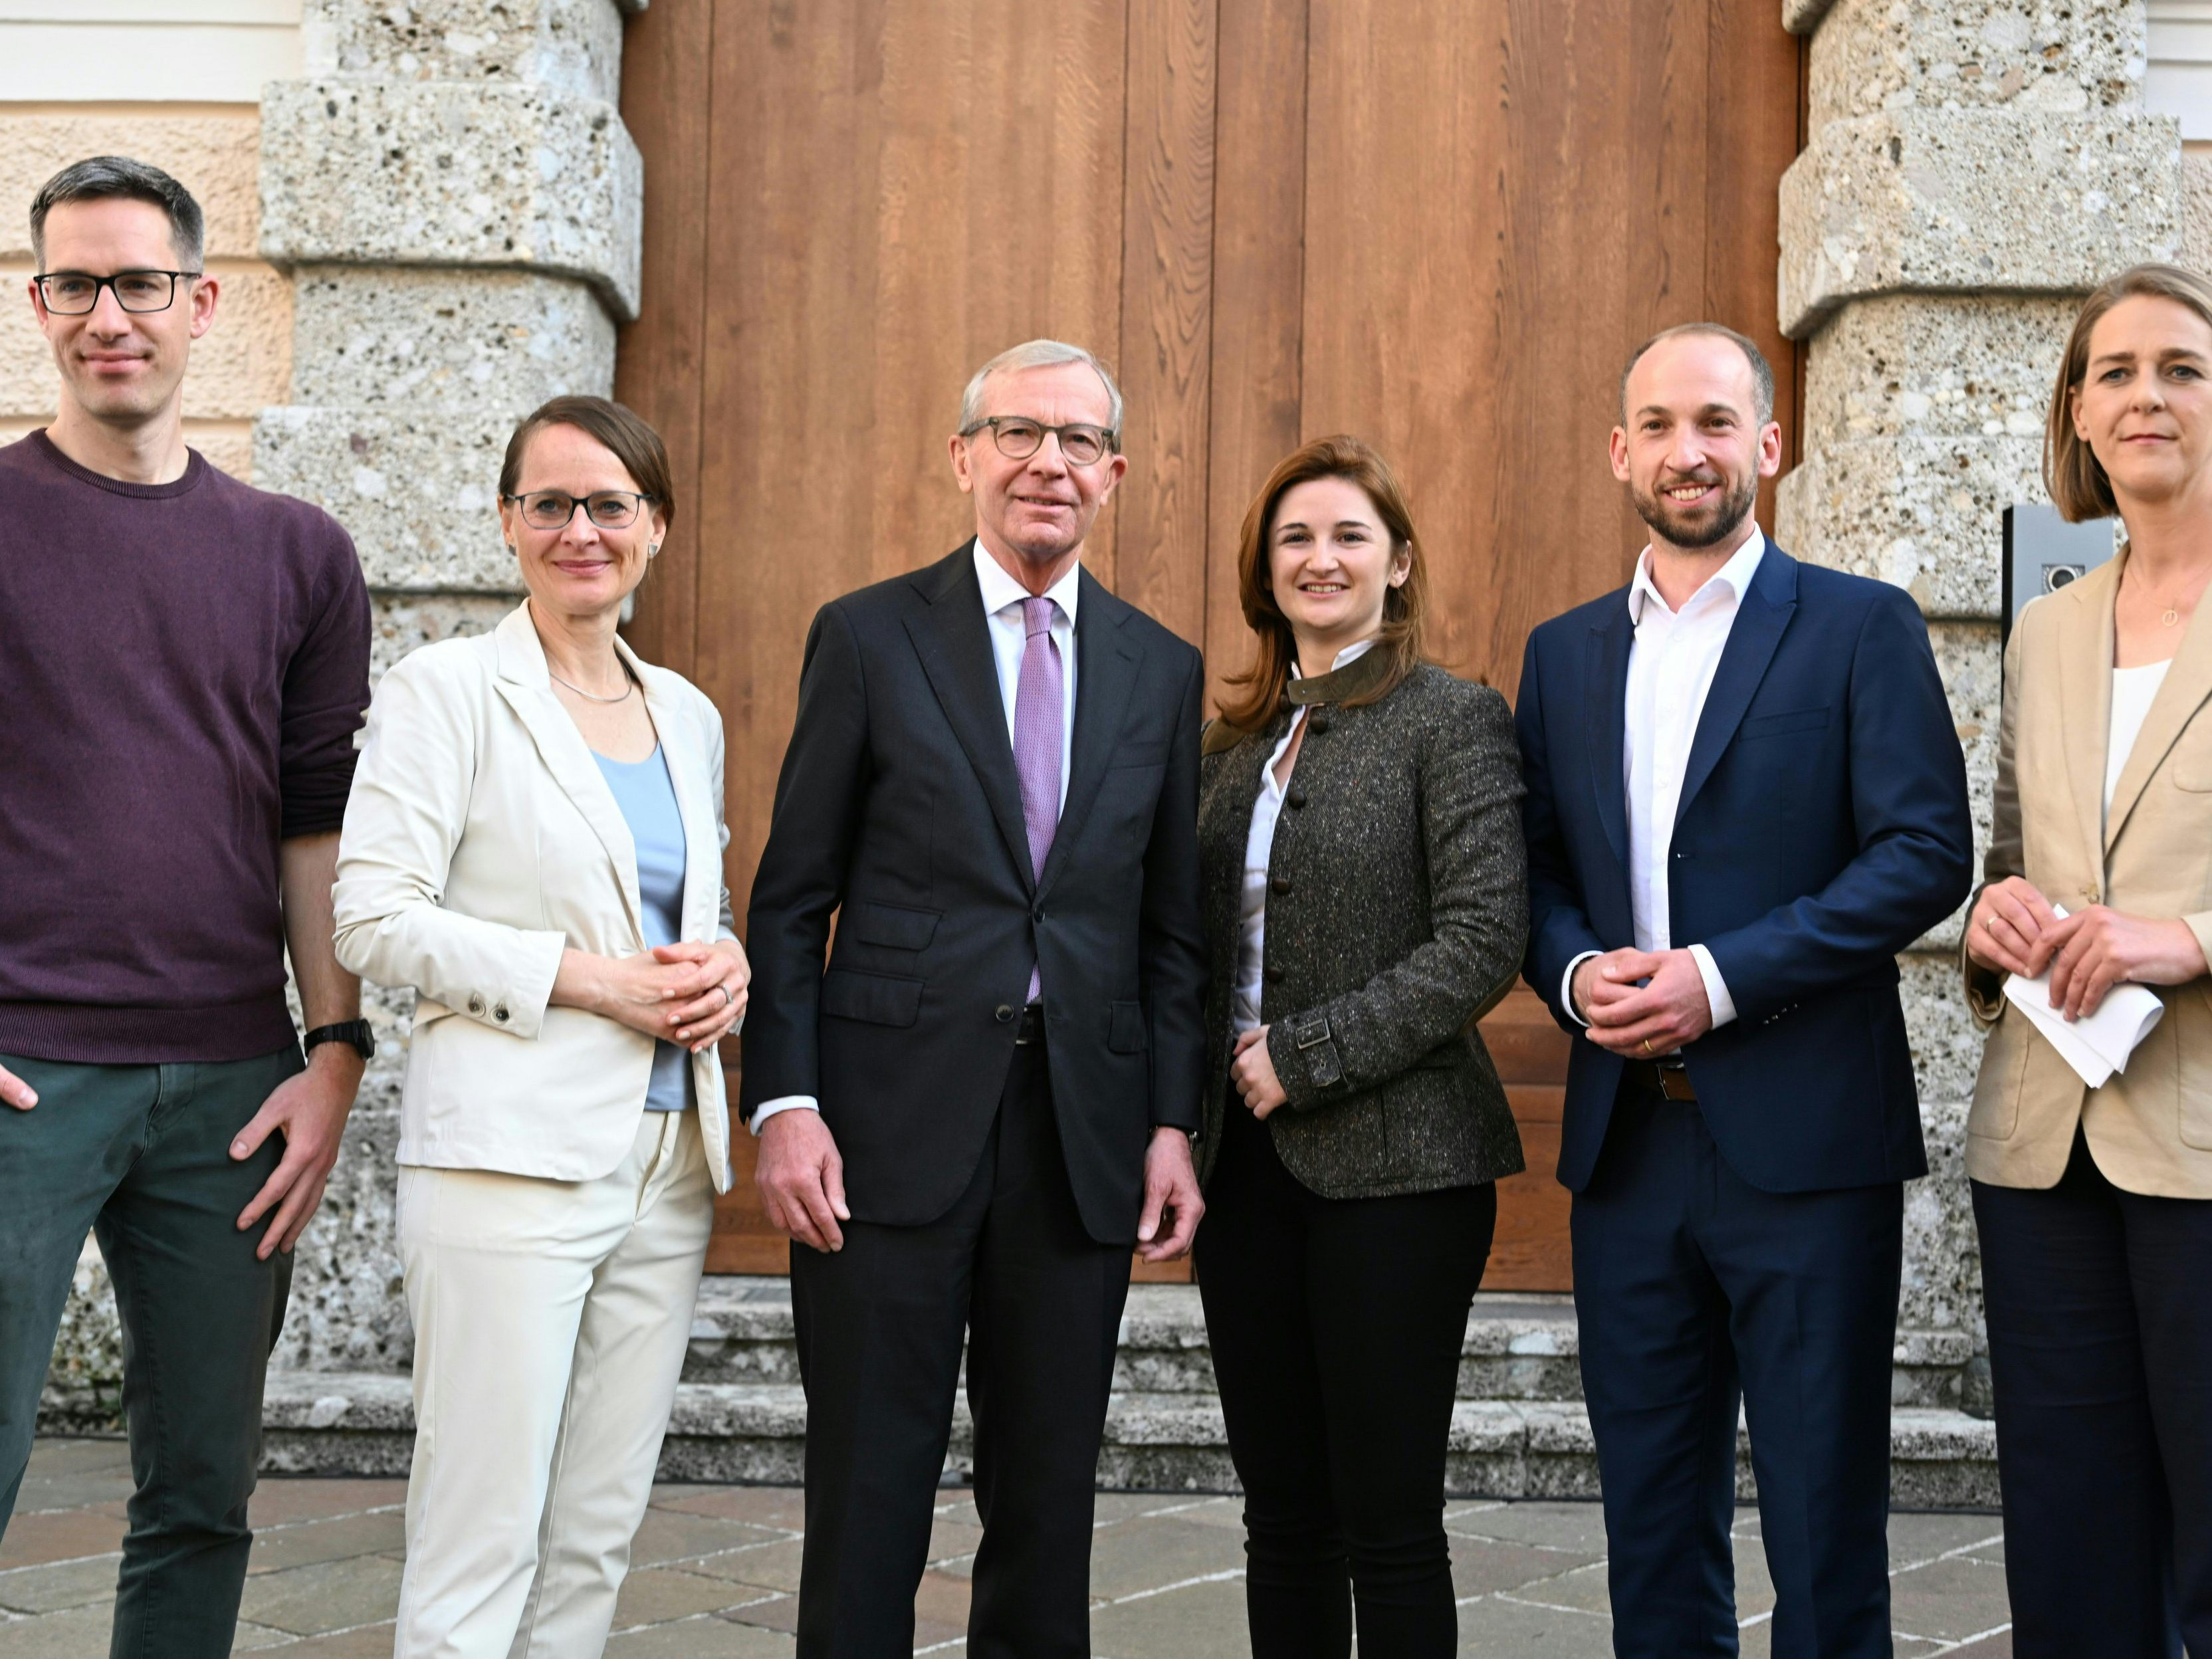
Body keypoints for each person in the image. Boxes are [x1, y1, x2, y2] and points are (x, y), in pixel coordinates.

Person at [741, 338, 1208, 1658]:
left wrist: (1170, 1123)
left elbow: (1169, 931)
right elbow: (789, 900)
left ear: (1111, 477)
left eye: (1074, 442)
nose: (1043, 462)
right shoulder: (869, 636)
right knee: (868, 1490)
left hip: (1078, 1136)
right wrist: (785, 1101)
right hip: (883, 1128)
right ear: (963, 458)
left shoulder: (1159, 671)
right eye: (1015, 432)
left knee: (1049, 1494)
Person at [1515, 322, 1973, 1656]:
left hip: (1805, 1142)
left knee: (1825, 1523)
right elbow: (1533, 871)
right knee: (1649, 1521)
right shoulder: (1563, 654)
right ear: (1618, 453)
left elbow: (1922, 854)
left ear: (1766, 445)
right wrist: (1575, 967)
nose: (1686, 450)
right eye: (1656, 424)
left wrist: (1717, 980)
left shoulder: (1855, 627)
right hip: (1627, 1148)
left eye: (1714, 422)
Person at [0, 157, 372, 1657]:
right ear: (38, 305)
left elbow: (316, 830)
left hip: (232, 1082)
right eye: (75, 284)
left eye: (140, 282)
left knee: (205, 1492)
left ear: (201, 302)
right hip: (27, 1070)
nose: (110, 316)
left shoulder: (297, 555)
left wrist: (332, 1055)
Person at [332, 396, 748, 1657]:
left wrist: (723, 964)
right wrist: (586, 980)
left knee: (594, 1535)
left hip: (669, 1169)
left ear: (657, 526)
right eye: (551, 504)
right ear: (510, 523)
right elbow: (370, 920)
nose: (582, 530)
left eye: (610, 505)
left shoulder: (687, 712)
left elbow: (688, 904)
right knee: (481, 1537)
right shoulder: (446, 691)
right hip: (505, 1170)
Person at [1194, 435, 1527, 1657]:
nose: (1321, 558)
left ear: (1397, 566)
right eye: (1296, 538)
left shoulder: (1453, 719)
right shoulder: (1225, 748)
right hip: (1245, 1176)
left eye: (1348, 537)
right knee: (1280, 1517)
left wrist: (1307, 1053)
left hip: (1404, 1174)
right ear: (1264, 573)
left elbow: (1487, 934)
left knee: (1389, 1523)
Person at [1962, 263, 2212, 1657]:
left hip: (2200, 1141)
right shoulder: (2050, 628)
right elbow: (2013, 859)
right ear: (2075, 410)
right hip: (2042, 1148)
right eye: (2112, 373)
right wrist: (1992, 922)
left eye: (2178, 366)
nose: (2143, 397)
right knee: (2066, 1540)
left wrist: (2182, 940)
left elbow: (2159, 916)